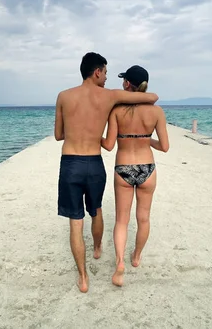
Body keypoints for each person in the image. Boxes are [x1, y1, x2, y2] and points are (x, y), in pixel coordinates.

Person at [54, 53, 160, 293]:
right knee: (96, 209)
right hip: (94, 162)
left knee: (75, 222)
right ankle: (98, 248)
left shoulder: (63, 96)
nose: (107, 78)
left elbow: (59, 135)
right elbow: (151, 97)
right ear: (97, 72)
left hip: (70, 162)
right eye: (106, 73)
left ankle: (83, 278)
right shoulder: (109, 96)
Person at [101, 65, 169, 287]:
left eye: (124, 81)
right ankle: (136, 256)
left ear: (128, 84)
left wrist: (93, 137)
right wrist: (144, 139)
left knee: (122, 220)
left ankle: (120, 263)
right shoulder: (157, 112)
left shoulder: (117, 110)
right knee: (144, 218)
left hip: (123, 168)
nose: (122, 84)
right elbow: (165, 146)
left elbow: (109, 145)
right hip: (147, 168)